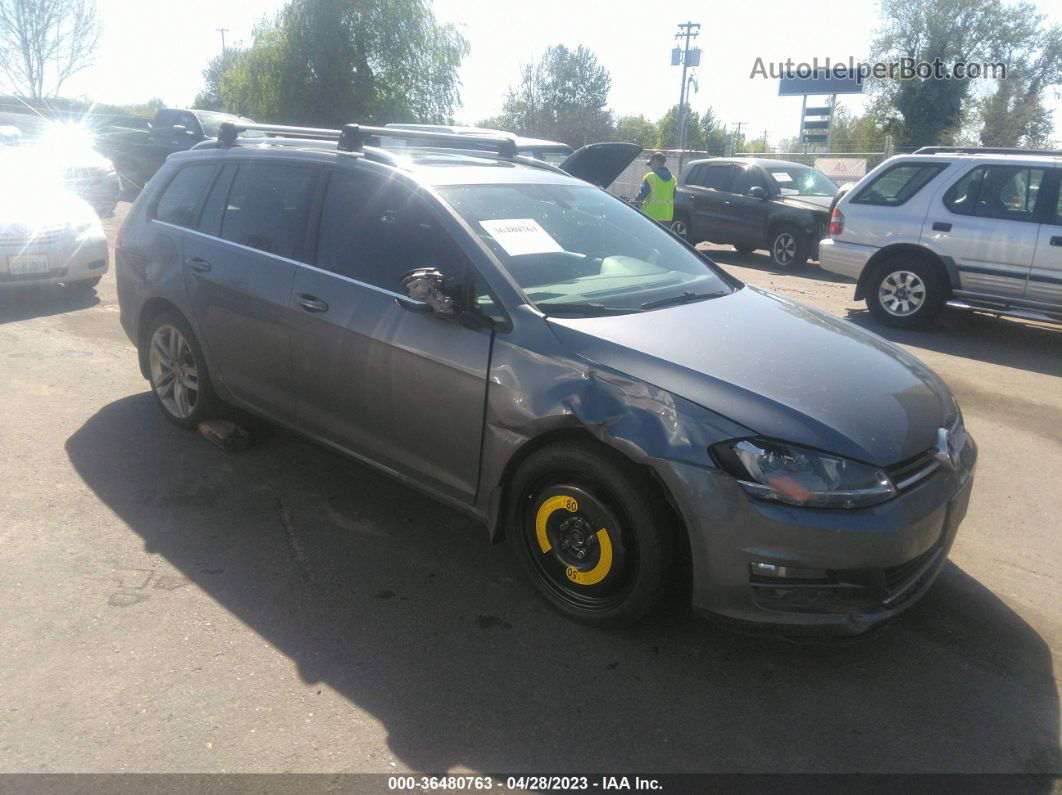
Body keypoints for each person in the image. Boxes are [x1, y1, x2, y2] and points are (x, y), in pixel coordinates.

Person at [634, 152, 676, 224]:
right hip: (667, 217)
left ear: (655, 161)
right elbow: (674, 196)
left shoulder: (650, 177)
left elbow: (642, 195)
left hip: (650, 216)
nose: (651, 167)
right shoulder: (673, 179)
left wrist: (635, 201)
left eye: (651, 164)